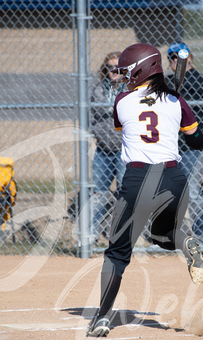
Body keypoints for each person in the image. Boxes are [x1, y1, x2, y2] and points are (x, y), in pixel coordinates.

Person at [87, 43, 203, 337]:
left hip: (138, 179)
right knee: (161, 236)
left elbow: (125, 129)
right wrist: (176, 109)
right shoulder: (176, 101)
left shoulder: (122, 101)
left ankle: (102, 318)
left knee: (117, 254)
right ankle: (184, 241)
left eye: (128, 71)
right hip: (174, 179)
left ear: (141, 70)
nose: (125, 77)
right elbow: (197, 142)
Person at [165, 42, 203, 249]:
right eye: (173, 57)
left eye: (182, 57)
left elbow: (178, 96)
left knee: (193, 190)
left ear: (190, 58)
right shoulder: (167, 80)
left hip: (194, 144)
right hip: (172, 143)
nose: (177, 60)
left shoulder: (196, 78)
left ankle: (201, 237)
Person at [90, 52, 126, 243]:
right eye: (111, 67)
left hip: (124, 151)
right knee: (98, 194)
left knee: (124, 194)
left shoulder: (130, 90)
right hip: (102, 151)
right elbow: (91, 116)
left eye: (118, 67)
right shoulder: (97, 90)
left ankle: (119, 236)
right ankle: (91, 236)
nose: (114, 70)